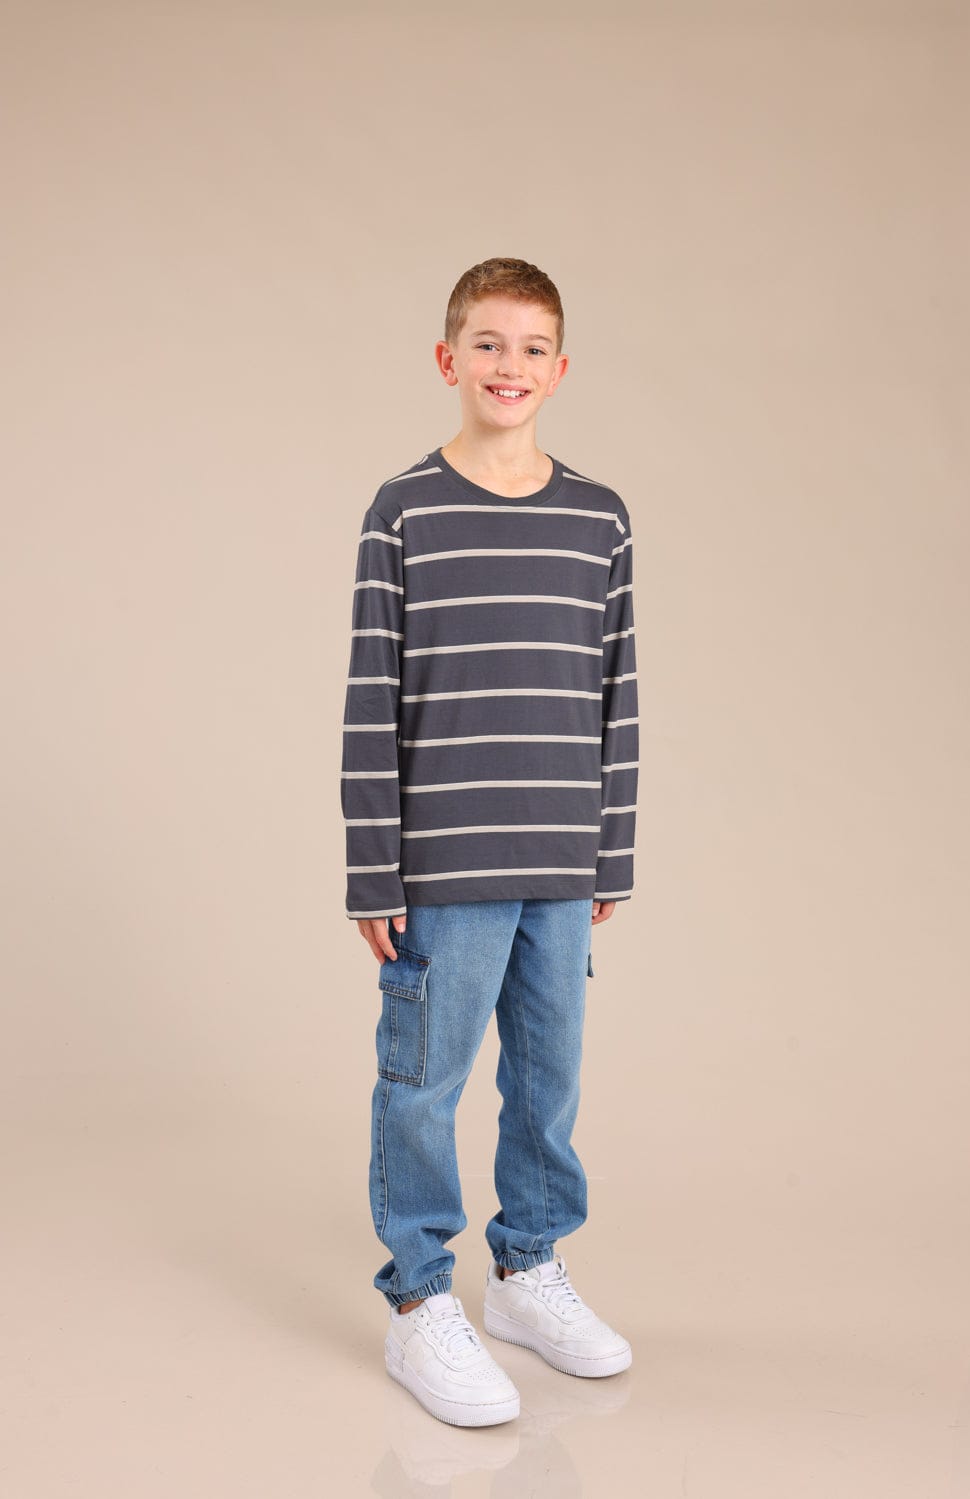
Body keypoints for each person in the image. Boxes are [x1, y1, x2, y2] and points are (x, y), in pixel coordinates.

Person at [340, 257, 639, 1427]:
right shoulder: (404, 510)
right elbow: (372, 699)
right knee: (424, 1085)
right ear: (447, 358)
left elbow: (615, 693)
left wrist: (610, 853)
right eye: (487, 343)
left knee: (548, 1081)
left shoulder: (599, 517)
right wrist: (372, 868)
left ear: (558, 371)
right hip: (443, 866)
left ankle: (526, 1270)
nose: (508, 365)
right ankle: (421, 1298)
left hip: (560, 860)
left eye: (530, 348)